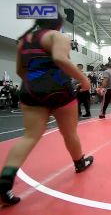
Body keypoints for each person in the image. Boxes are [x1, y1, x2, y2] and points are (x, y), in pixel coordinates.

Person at [0, 14, 94, 206]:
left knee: (29, 137)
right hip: (59, 90)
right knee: (69, 133)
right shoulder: (56, 36)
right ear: (58, 25)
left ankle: (5, 181)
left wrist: (36, 82)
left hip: (31, 90)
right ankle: (79, 163)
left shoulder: (23, 41)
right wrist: (84, 79)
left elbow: (20, 71)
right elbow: (60, 58)